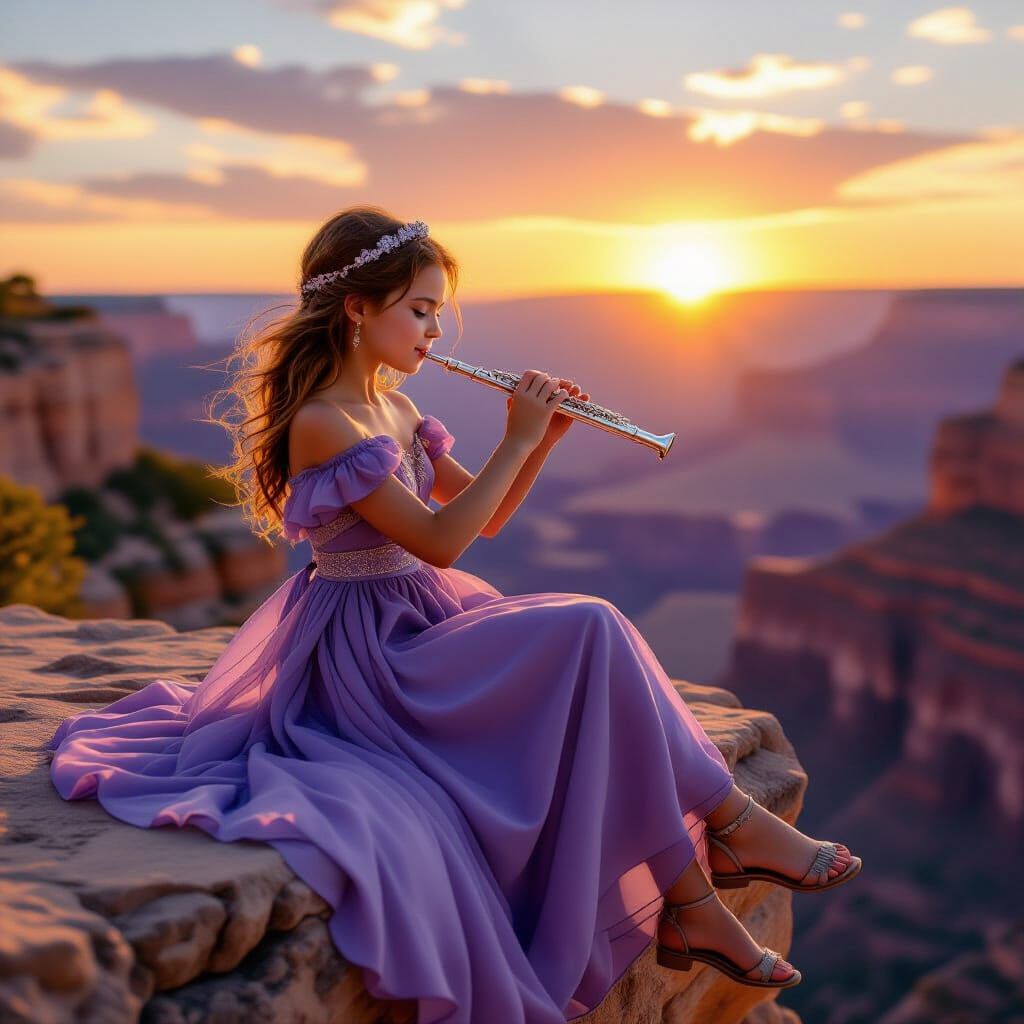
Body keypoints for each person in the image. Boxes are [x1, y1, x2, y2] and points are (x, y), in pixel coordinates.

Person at [47, 205, 861, 1023]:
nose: (435, 330)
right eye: (420, 309)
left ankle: (692, 902)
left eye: (438, 311)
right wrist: (517, 435)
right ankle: (728, 828)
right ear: (358, 308)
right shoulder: (326, 423)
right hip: (370, 649)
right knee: (591, 625)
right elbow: (443, 542)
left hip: (422, 622)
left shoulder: (396, 408)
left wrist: (540, 442)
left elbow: (488, 515)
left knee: (589, 660)